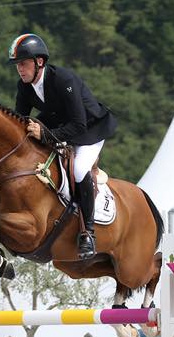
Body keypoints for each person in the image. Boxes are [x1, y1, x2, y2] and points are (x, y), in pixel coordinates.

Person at [9, 33, 118, 259]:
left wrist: (46, 136)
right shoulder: (24, 86)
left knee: (78, 169)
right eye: (17, 65)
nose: (20, 69)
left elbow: (78, 124)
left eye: (23, 63)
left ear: (39, 62)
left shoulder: (63, 80)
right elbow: (20, 122)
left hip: (90, 129)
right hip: (61, 126)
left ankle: (88, 233)